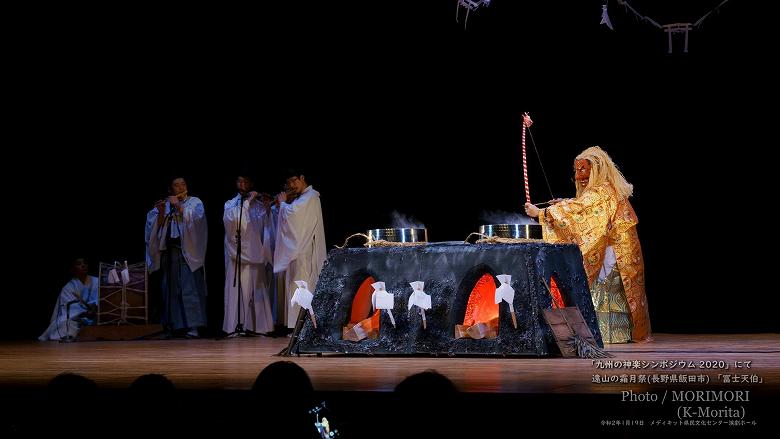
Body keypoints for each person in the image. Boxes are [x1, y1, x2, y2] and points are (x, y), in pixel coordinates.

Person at [525, 146, 651, 343]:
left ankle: (608, 335)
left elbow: (582, 211)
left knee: (607, 291)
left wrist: (541, 213)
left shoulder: (602, 191)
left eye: (584, 170)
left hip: (613, 252)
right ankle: (611, 334)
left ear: (598, 170)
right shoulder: (605, 190)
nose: (579, 176)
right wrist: (565, 202)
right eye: (577, 171)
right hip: (615, 249)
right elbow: (584, 208)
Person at [145, 177, 208, 338]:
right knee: (171, 290)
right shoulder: (166, 204)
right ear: (170, 189)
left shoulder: (195, 202)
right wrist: (160, 213)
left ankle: (193, 327)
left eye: (183, 184)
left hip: (187, 252)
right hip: (170, 251)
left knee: (189, 289)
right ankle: (174, 325)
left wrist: (178, 206)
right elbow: (153, 228)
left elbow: (197, 220)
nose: (180, 187)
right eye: (176, 185)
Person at [273, 169, 327, 330]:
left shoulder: (310, 197)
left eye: (293, 181)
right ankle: (299, 326)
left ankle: (302, 326)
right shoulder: (305, 198)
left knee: (302, 286)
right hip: (300, 251)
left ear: (302, 178)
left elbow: (294, 217)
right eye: (288, 182)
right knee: (298, 287)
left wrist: (283, 204)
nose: (291, 185)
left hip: (304, 252)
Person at [223, 172, 275, 335]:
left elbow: (265, 229)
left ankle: (257, 326)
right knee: (238, 291)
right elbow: (234, 224)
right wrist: (248, 203)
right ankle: (237, 326)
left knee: (256, 291)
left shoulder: (259, 205)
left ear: (251, 184)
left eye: (246, 181)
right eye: (239, 181)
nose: (242, 185)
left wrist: (267, 209)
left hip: (256, 254)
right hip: (238, 256)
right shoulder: (231, 204)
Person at [39, 257, 98, 341]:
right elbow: (67, 307)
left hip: (96, 315)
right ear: (73, 269)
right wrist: (85, 312)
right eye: (79, 264)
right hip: (79, 317)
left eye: (85, 263)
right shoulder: (68, 287)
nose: (83, 265)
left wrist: (95, 306)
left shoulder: (96, 281)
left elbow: (100, 299)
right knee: (65, 324)